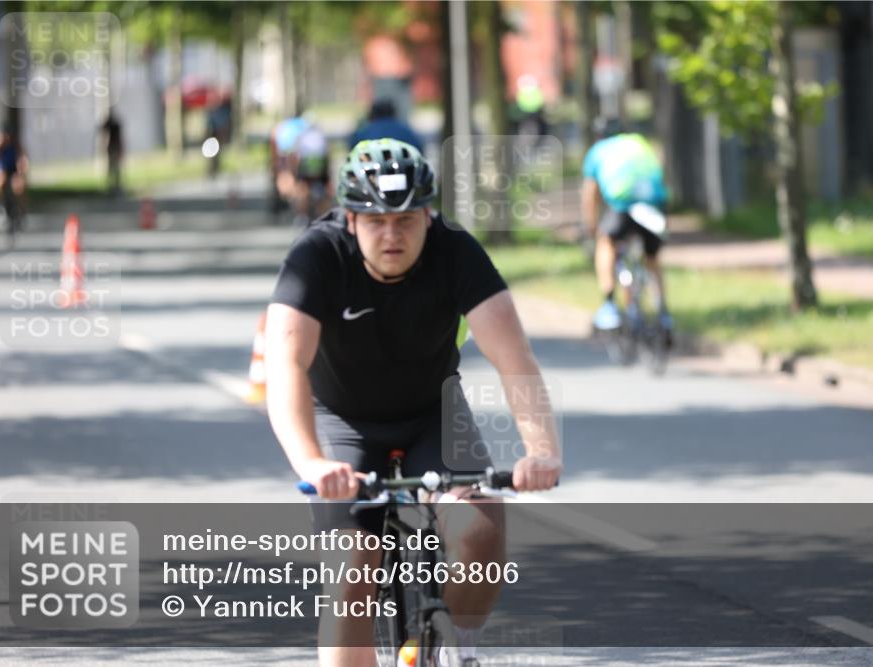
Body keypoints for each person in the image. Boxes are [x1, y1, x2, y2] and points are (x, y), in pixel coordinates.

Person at [266, 138, 562, 667]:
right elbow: (285, 364)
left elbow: (514, 357)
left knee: (481, 530)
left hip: (433, 413)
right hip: (344, 423)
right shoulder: (317, 256)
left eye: (405, 221)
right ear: (350, 220)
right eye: (375, 221)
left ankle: (453, 649)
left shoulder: (457, 253)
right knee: (353, 568)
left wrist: (539, 450)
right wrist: (312, 461)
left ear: (429, 215)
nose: (391, 234)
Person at [581, 118, 672, 343]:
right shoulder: (639, 142)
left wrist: (590, 226)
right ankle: (663, 313)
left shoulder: (598, 150)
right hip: (653, 203)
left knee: (606, 243)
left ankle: (610, 304)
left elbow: (590, 195)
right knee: (652, 259)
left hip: (623, 203)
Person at [348, 98, 423, 153]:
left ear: (372, 114)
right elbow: (419, 150)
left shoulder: (363, 132)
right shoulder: (405, 130)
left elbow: (353, 151)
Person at [0, 126, 28, 216]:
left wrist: (22, 170)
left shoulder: (15, 146)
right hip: (1, 171)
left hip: (13, 170)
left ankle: (21, 209)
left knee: (19, 185)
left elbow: (22, 159)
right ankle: (2, 204)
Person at [101, 112, 124, 195]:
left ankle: (116, 185)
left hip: (114, 148)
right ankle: (112, 185)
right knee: (112, 168)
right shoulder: (112, 125)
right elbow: (102, 128)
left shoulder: (116, 126)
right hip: (112, 148)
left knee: (115, 168)